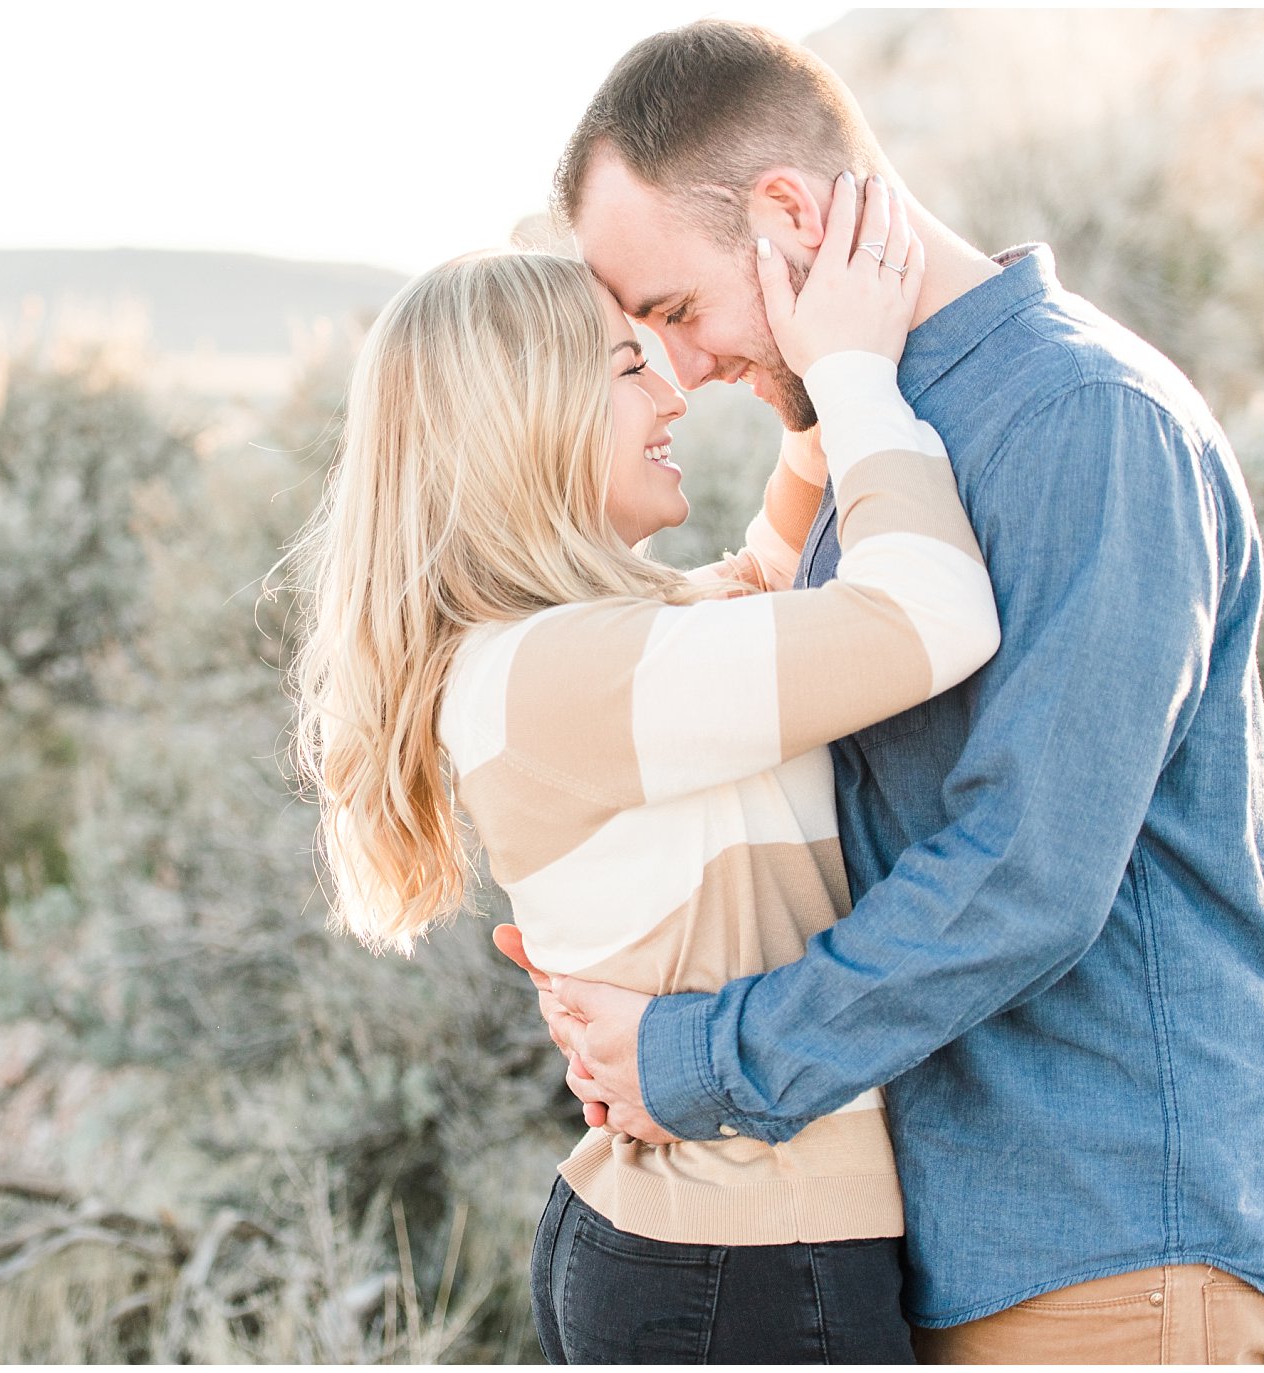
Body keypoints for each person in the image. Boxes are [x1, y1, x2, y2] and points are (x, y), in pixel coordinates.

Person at [508, 20, 1264, 1364]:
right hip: (967, 1240)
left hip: (1110, 1248)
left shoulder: (1080, 421)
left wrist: (701, 1056)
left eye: (676, 312)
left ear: (784, 212)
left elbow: (1028, 869)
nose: (685, 371)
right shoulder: (880, 440)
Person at [291, 175, 1003, 1361]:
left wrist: (803, 391)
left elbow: (759, 585)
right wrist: (855, 379)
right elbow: (929, 619)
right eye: (629, 369)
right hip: (747, 1269)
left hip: (701, 1255)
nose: (669, 388)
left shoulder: (553, 660)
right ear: (531, 419)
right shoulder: (571, 672)